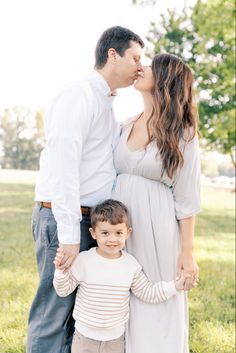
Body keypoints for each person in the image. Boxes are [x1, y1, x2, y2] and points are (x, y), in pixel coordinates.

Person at [27, 26, 144, 353]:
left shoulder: (105, 103)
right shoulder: (78, 94)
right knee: (53, 312)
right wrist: (68, 236)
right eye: (135, 57)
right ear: (112, 54)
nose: (139, 65)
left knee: (75, 314)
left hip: (87, 221)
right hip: (63, 218)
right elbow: (64, 167)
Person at [112, 53, 201, 353]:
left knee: (159, 297)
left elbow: (187, 200)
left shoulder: (183, 133)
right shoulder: (125, 124)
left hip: (158, 228)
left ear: (164, 80)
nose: (142, 68)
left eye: (151, 67)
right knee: (124, 295)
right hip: (120, 227)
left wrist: (187, 253)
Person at [53, 199, 191, 353]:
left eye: (118, 233)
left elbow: (148, 293)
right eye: (105, 233)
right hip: (84, 338)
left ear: (128, 233)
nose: (112, 239)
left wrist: (175, 286)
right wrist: (61, 271)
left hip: (115, 341)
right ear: (93, 233)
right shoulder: (84, 260)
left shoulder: (131, 265)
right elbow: (63, 290)